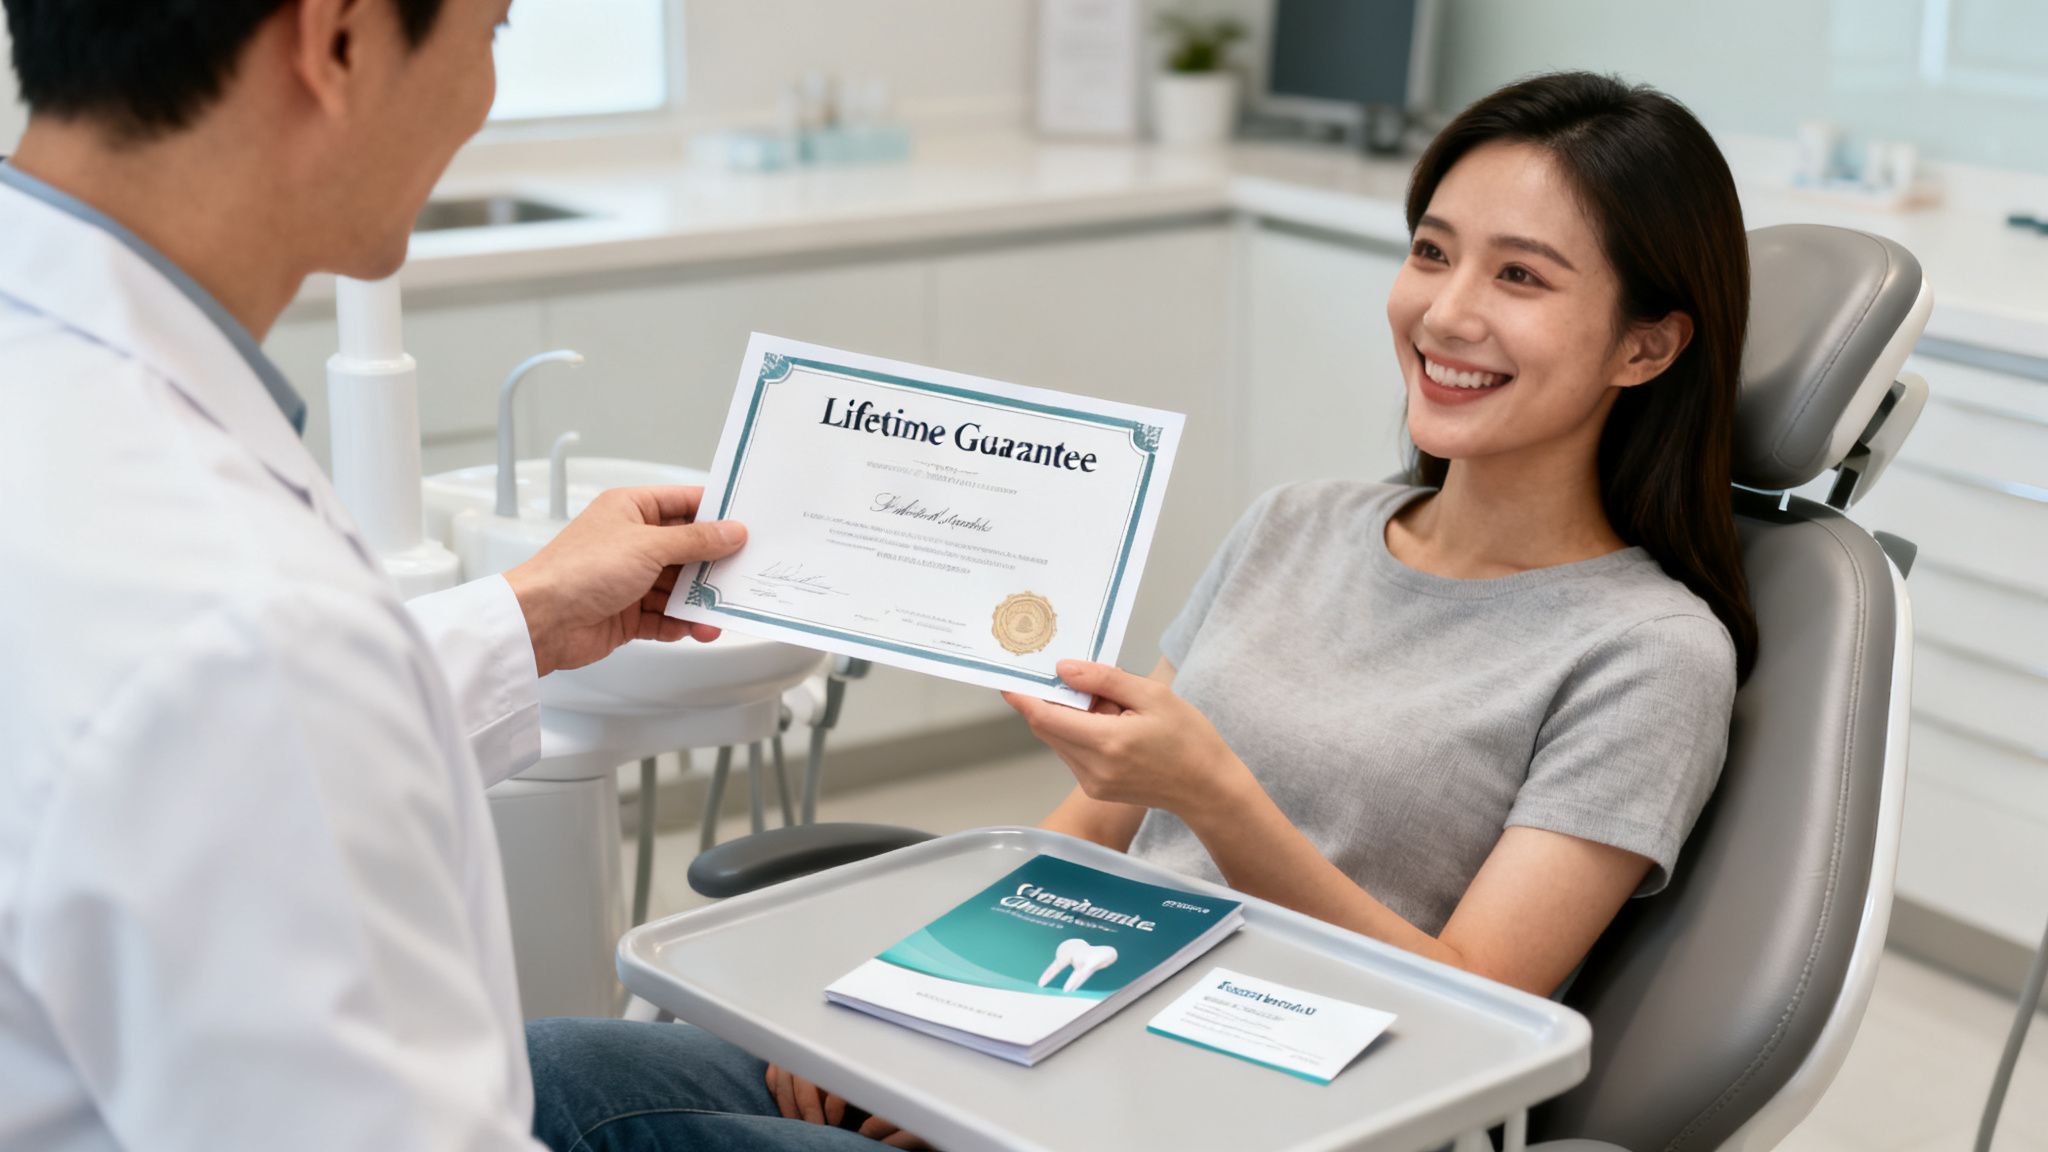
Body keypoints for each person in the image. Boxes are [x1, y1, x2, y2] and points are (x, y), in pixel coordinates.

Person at [522, 70, 1757, 1151]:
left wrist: (1214, 794)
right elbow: (1078, 843)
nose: (1443, 312)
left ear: (1642, 351)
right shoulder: (1297, 522)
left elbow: (1480, 1004)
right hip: (1053, 1047)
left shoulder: (1645, 654)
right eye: (1430, 252)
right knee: (541, 1069)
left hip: (1252, 1114)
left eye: (1519, 277)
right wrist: (918, 1024)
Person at [0, 2, 745, 1148]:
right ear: (338, 41)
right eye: (488, 34)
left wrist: (528, 615)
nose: (483, 98)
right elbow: (246, 699)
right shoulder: (243, 629)